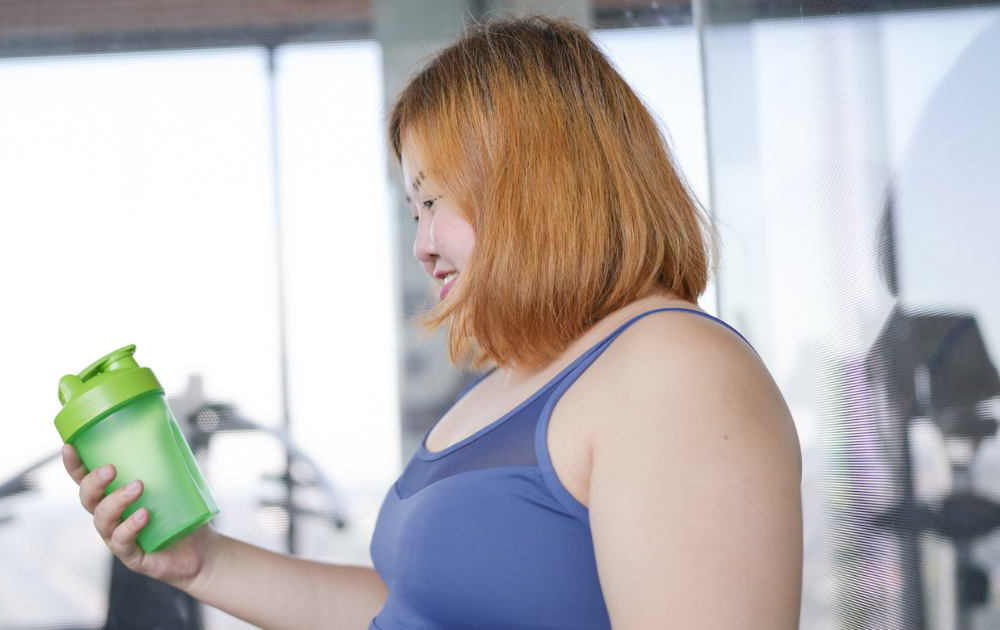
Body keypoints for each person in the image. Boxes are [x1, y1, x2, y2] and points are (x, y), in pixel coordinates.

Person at [62, 15, 802, 630]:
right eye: (411, 210)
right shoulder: (512, 382)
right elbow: (410, 610)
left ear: (532, 182)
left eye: (435, 200)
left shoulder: (674, 371)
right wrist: (204, 562)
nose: (421, 244)